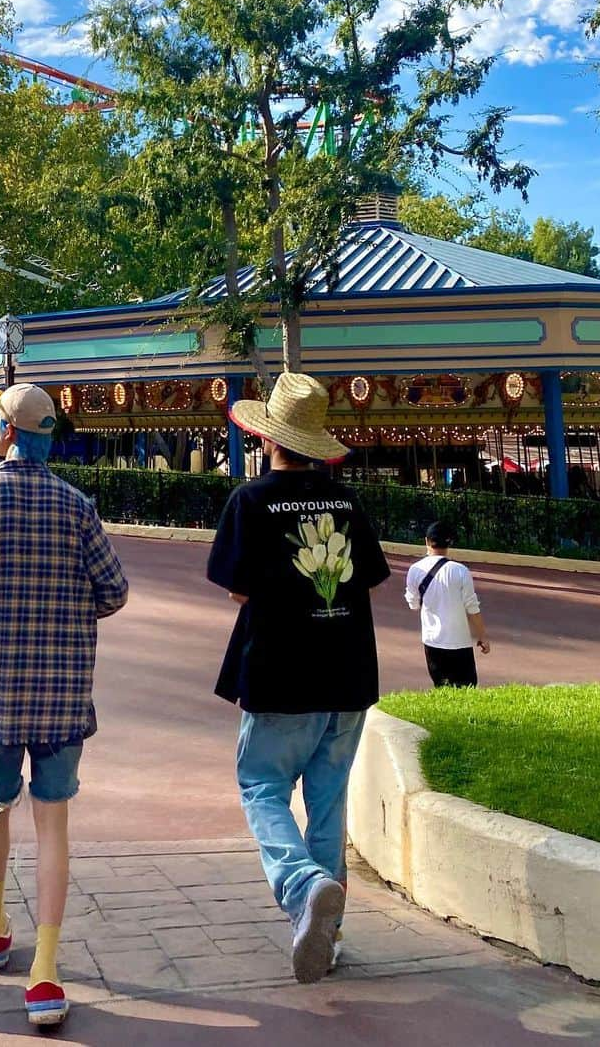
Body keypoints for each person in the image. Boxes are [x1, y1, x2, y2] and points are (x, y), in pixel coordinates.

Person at [0, 383, 128, 1029]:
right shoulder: (78, 507)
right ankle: (46, 971)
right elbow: (114, 591)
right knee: (54, 824)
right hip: (64, 695)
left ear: (8, 436)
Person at [207, 372, 391, 984]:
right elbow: (363, 578)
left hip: (281, 671)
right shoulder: (347, 502)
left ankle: (302, 885)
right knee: (328, 800)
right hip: (348, 672)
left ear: (268, 437)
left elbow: (239, 587)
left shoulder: (251, 500)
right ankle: (325, 933)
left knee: (261, 783)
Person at [406, 521, 490, 687]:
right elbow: (472, 607)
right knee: (467, 690)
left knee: (442, 689)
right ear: (449, 543)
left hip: (432, 641)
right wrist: (482, 636)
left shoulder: (415, 570)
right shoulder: (461, 571)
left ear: (427, 541)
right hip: (460, 641)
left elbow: (413, 604)